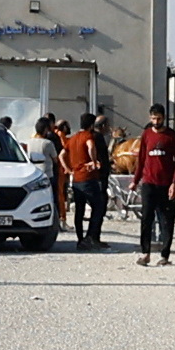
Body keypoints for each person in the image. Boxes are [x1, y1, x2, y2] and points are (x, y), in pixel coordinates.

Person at [134, 102, 175, 267]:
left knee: (166, 220)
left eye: (159, 119)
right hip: (149, 183)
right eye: (153, 118)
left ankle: (164, 254)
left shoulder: (171, 136)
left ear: (164, 118)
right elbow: (141, 159)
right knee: (146, 219)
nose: (156, 122)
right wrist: (135, 181)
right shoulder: (147, 135)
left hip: (166, 184)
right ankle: (145, 253)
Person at [63, 106, 109, 247]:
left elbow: (61, 155)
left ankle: (80, 239)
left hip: (76, 178)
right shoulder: (91, 136)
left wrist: (68, 169)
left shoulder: (73, 138)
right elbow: (91, 147)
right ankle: (91, 237)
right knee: (99, 206)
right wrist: (95, 162)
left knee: (79, 209)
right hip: (90, 177)